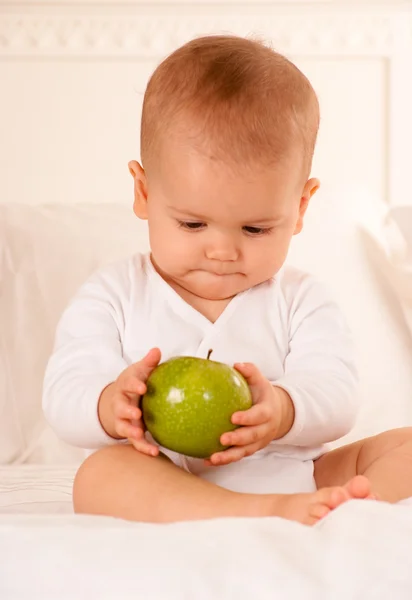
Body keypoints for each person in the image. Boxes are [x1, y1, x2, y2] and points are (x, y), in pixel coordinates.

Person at [43, 35, 412, 525]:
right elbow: (64, 393)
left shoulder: (301, 299)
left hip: (295, 472)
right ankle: (266, 513)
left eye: (256, 229)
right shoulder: (114, 294)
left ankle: (332, 509)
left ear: (299, 207)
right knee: (100, 474)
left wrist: (281, 408)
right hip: (167, 476)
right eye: (193, 225)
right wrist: (113, 402)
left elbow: (338, 396)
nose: (222, 251)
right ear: (144, 192)